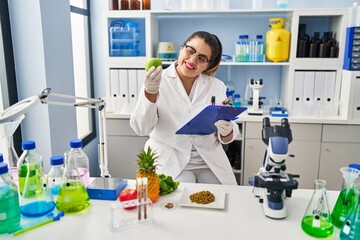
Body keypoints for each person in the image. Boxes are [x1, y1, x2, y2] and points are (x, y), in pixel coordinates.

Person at [130, 31, 239, 185]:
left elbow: (227, 135)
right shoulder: (156, 80)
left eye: (202, 58)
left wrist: (227, 129)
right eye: (190, 51)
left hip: (208, 161)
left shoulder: (216, 86)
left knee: (223, 199)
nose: (192, 60)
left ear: (208, 64)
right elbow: (141, 128)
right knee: (180, 197)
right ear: (182, 48)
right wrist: (150, 92)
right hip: (171, 159)